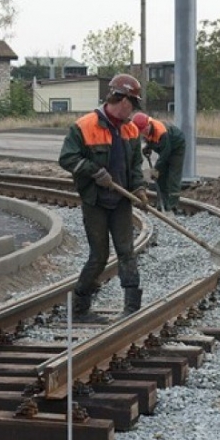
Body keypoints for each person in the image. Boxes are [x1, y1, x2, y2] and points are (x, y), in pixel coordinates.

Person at [58, 73, 148, 322]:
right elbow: (67, 159)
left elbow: (136, 165)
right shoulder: (84, 127)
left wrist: (139, 188)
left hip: (121, 202)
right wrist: (95, 172)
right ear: (121, 100)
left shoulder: (130, 130)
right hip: (95, 201)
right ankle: (79, 308)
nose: (132, 111)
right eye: (132, 104)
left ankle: (132, 307)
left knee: (126, 252)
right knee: (98, 256)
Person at [131, 112, 185, 212]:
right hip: (166, 148)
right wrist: (148, 147)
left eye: (145, 129)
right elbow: (151, 141)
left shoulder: (161, 132)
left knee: (173, 176)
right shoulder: (145, 132)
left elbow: (165, 155)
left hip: (177, 147)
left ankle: (173, 205)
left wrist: (156, 170)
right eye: (141, 131)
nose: (144, 132)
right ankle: (162, 203)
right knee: (161, 177)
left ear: (148, 124)